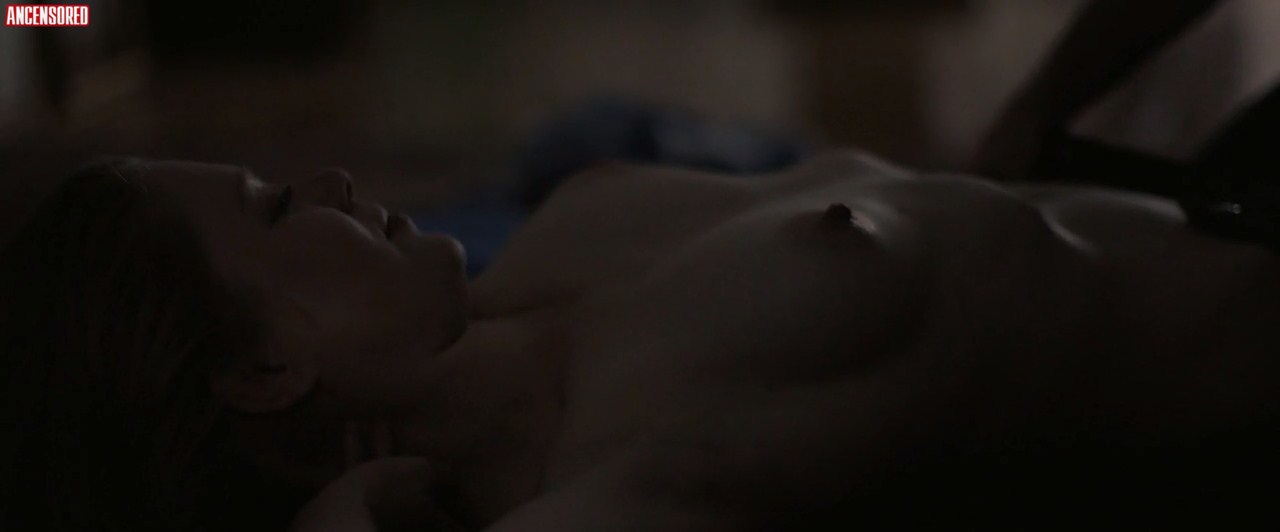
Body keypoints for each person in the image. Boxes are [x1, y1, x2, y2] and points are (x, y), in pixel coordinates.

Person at [5, 151, 1280, 531]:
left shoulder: (551, 245)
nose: (332, 180)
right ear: (265, 368)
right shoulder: (615, 470)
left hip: (1209, 189)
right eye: (280, 206)